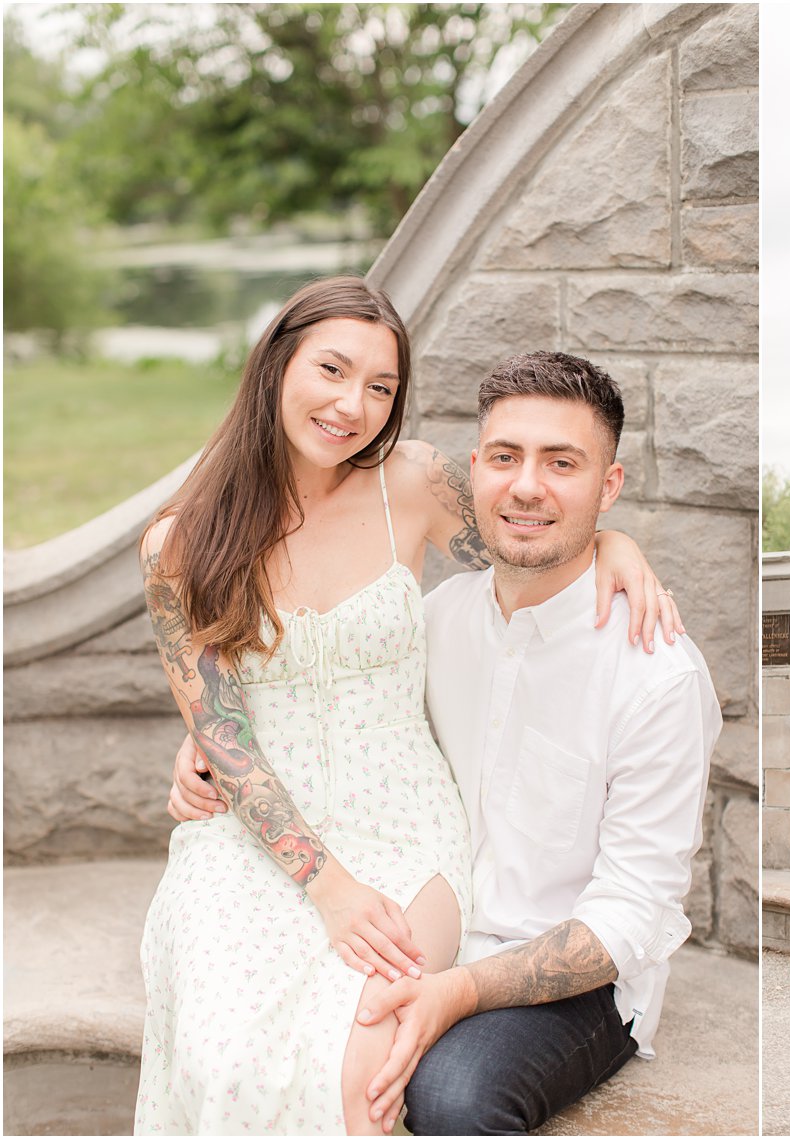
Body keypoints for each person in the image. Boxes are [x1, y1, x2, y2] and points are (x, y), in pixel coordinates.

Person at [138, 278, 675, 1135]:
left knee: (365, 1068)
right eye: (333, 369)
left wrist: (616, 538)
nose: (353, 405)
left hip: (402, 821)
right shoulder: (180, 544)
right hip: (252, 833)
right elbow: (227, 741)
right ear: (277, 361)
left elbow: (526, 535)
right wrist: (329, 886)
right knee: (227, 1053)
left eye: (382, 387)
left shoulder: (413, 483)